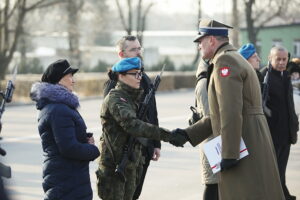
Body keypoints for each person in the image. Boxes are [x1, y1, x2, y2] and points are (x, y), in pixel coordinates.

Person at [169, 19, 285, 200]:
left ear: (212, 40)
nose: (199, 46)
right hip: (250, 137)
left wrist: (230, 154)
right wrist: (188, 134)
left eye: (201, 41)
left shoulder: (225, 61)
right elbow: (220, 113)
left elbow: (230, 111)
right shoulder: (232, 57)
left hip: (244, 142)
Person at [96, 57, 174, 200]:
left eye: (140, 73)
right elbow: (133, 125)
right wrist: (168, 135)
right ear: (121, 76)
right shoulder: (116, 98)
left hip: (130, 165)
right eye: (135, 74)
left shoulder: (133, 99)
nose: (140, 78)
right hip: (114, 167)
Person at [30, 59, 100, 200]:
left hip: (68, 176)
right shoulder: (58, 109)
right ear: (59, 80)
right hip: (66, 179)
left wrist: (82, 137)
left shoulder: (58, 106)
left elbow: (63, 137)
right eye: (70, 76)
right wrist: (93, 150)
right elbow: (68, 148)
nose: (73, 81)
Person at [103, 35, 161, 200]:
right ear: (121, 54)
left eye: (139, 48)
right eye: (133, 49)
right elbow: (112, 120)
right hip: (125, 151)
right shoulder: (114, 82)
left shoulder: (144, 79)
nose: (138, 52)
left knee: (135, 193)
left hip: (145, 147)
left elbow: (152, 112)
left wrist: (156, 143)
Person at [260, 46, 299, 200]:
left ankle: (283, 193)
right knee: (272, 171)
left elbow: (289, 104)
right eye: (278, 59)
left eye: (284, 59)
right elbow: (261, 105)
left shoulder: (286, 76)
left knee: (281, 169)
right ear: (270, 58)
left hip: (286, 133)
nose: (282, 62)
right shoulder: (265, 76)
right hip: (272, 133)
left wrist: (294, 125)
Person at [192, 58, 219, 200]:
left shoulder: (210, 78)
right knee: (213, 184)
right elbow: (210, 117)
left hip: (216, 139)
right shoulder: (205, 82)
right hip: (213, 140)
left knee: (218, 184)